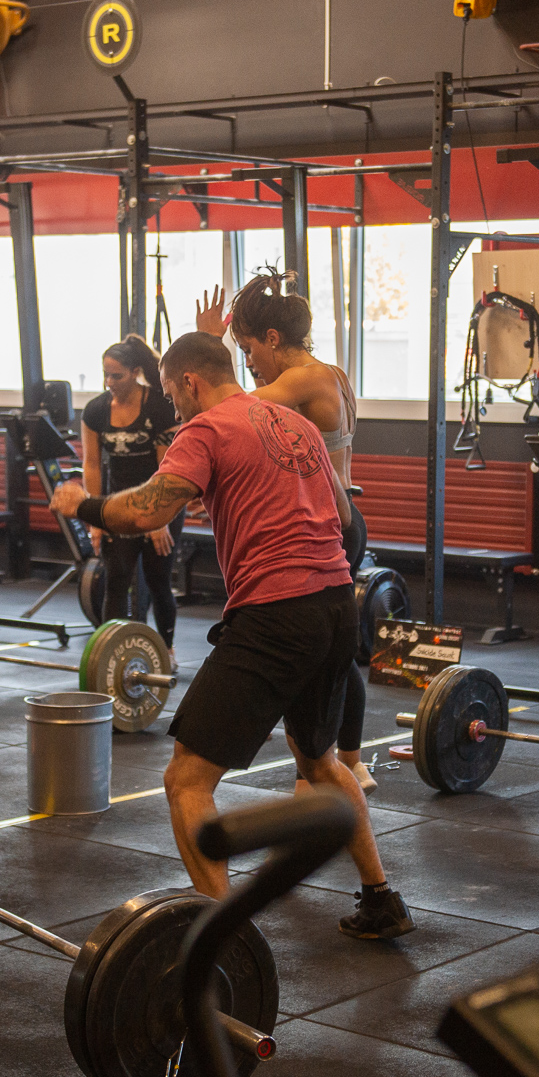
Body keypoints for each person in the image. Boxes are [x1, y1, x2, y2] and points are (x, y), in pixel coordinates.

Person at [48, 331, 414, 940]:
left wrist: (82, 504)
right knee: (320, 761)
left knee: (186, 779)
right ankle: (381, 899)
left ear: (190, 381)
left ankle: (223, 942)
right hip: (335, 606)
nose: (172, 408)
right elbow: (347, 521)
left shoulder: (208, 428)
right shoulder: (291, 424)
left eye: (171, 393)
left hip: (277, 615)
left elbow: (144, 513)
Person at [195, 275, 375, 794]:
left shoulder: (302, 382)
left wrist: (209, 347)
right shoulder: (333, 373)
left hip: (332, 524)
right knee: (331, 651)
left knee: (332, 654)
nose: (248, 360)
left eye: (249, 347)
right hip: (340, 518)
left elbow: (227, 410)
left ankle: (350, 763)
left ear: (273, 338)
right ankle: (346, 761)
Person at [80, 335, 181, 645]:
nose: (110, 382)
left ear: (135, 371)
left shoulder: (159, 407)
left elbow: (166, 469)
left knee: (158, 581)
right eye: (106, 374)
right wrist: (96, 519)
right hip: (118, 507)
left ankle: (166, 650)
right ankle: (111, 651)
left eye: (117, 375)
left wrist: (159, 519)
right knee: (116, 580)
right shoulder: (96, 410)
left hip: (159, 504)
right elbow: (93, 465)